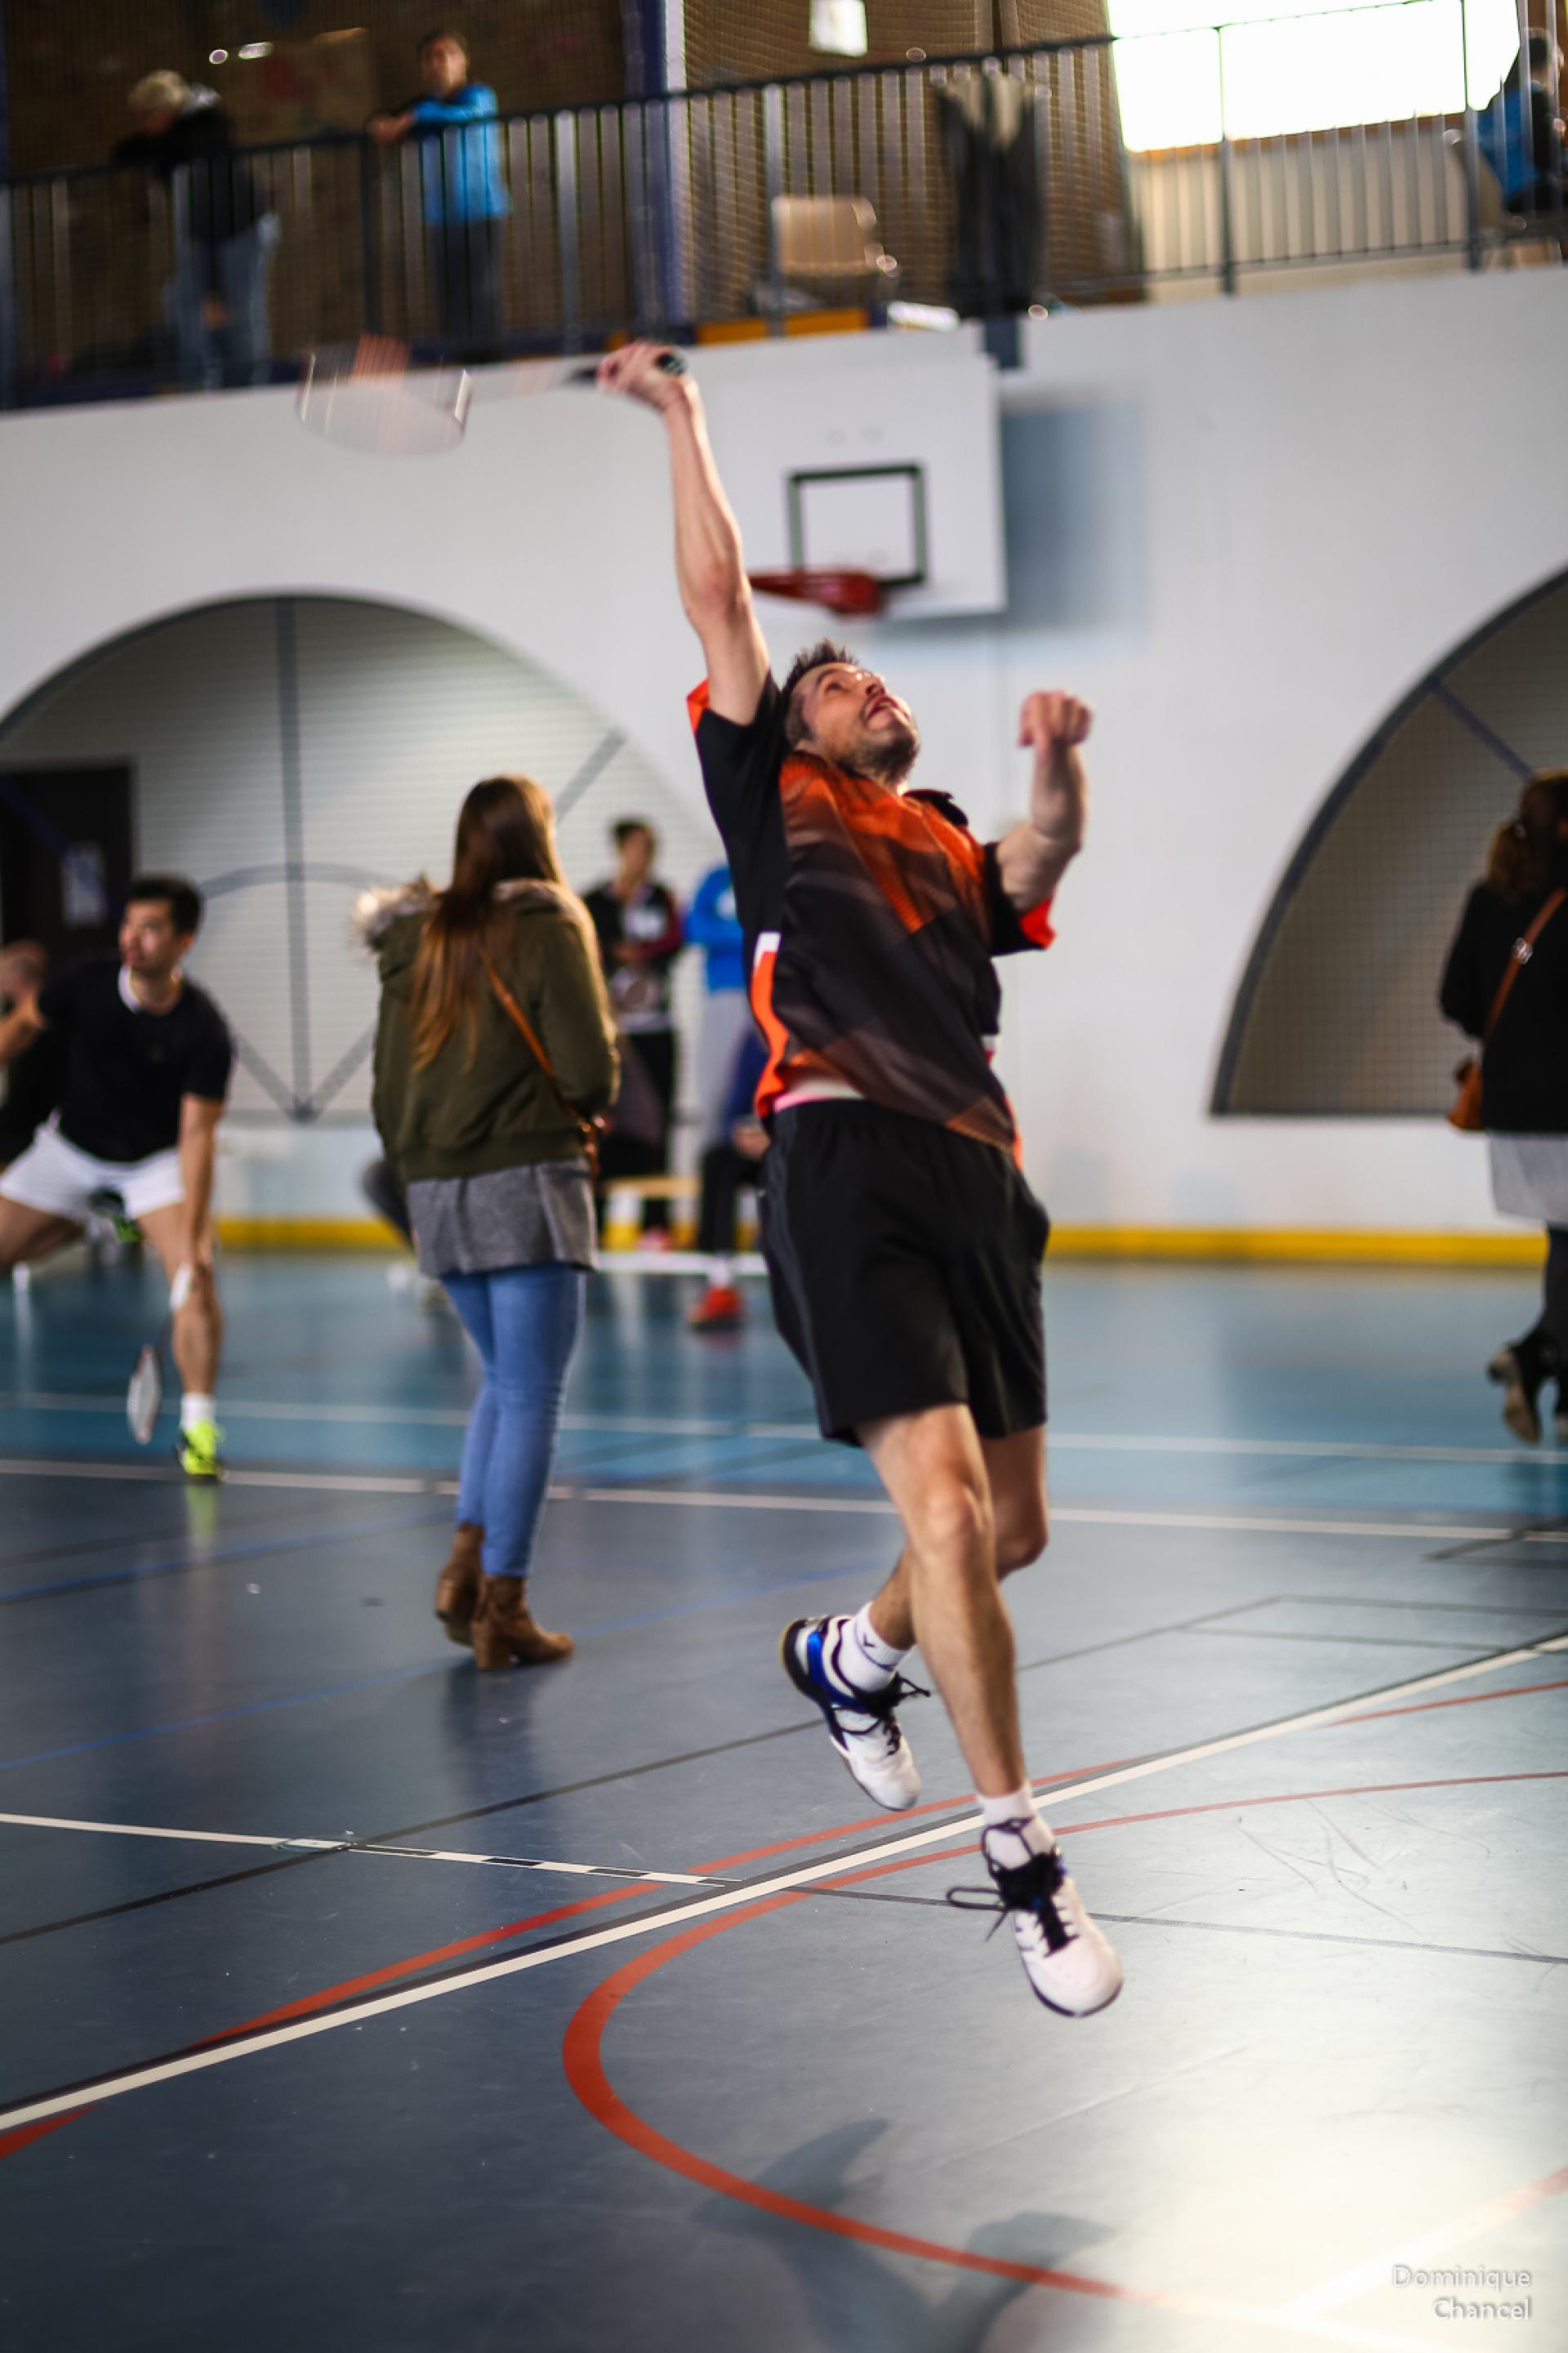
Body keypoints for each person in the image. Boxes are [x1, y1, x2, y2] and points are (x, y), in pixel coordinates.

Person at [598, 340, 1120, 2019]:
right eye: (835, 680)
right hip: (839, 1157)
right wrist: (685, 414)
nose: (863, 685)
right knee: (950, 1514)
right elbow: (719, 596)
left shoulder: (946, 836)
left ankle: (853, 1654)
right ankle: (1025, 1863)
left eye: (872, 680)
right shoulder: (775, 790)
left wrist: (1057, 767)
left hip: (980, 1174)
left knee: (1011, 1531)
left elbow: (1043, 852)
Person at [362, 775, 618, 1669]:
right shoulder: (546, 924)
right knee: (532, 1394)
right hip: (526, 1180)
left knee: (504, 1381)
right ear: (537, 836)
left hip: (435, 1185)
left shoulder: (416, 936)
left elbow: (387, 1086)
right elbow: (589, 1074)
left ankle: (463, 1573)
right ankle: (502, 1606)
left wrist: (419, 1175)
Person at [0, 878, 232, 1479]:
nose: (133, 938)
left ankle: (199, 1429)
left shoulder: (204, 1029)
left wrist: (195, 1234)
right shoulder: (86, 982)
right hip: (71, 1149)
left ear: (183, 941)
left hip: (152, 1164)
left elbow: (197, 1138)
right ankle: (89, 1222)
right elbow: (23, 1024)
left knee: (197, 1282)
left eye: (151, 928)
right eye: (129, 924)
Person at [1441, 769, 1568, 1448]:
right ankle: (1534, 1355)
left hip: (1513, 1107)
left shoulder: (1489, 898)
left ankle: (1555, 1377)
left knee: (1565, 1240)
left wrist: (1513, 1039)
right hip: (1563, 1104)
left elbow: (1456, 998)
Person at [114, 71, 278, 390]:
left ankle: (251, 383)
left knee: (244, 307)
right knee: (182, 301)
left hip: (241, 228)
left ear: (165, 109)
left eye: (148, 116)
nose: (145, 125)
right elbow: (125, 152)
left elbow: (191, 147)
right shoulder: (167, 138)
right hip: (199, 233)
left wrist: (158, 143)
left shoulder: (209, 120)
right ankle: (198, 379)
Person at [369, 31, 511, 352]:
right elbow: (384, 123)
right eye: (431, 56)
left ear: (464, 60)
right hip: (442, 218)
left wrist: (414, 117)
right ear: (423, 67)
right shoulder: (422, 106)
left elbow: (467, 116)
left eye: (448, 53)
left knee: (483, 292)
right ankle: (459, 359)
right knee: (451, 295)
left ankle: (490, 360)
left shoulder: (478, 95)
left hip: (482, 212)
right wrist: (384, 125)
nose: (440, 62)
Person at [585, 821, 684, 1237]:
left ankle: (655, 1225)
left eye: (649, 848)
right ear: (620, 849)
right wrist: (614, 951)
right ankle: (595, 1221)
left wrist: (643, 952)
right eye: (636, 847)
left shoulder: (662, 898)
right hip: (612, 1031)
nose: (643, 856)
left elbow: (676, 941)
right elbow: (585, 947)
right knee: (603, 1121)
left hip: (655, 1028)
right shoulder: (594, 900)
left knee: (657, 1123)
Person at [688, 1025, 768, 1331]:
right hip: (758, 1145)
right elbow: (736, 1103)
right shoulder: (752, 1040)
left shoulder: (809, 1034)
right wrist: (740, 1134)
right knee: (716, 1161)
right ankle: (720, 1280)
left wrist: (779, 1136)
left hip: (799, 1143)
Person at [684, 859, 751, 1150]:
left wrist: (730, 932)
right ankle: (712, 1159)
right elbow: (695, 928)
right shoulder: (717, 879)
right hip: (724, 995)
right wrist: (748, 933)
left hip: (768, 992)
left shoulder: (774, 871)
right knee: (716, 1086)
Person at [1478, 33, 1565, 216]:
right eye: (1557, 68)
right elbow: (1549, 160)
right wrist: (1555, 136)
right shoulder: (1535, 97)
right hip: (1532, 193)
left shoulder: (1496, 102)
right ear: (1547, 65)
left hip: (1505, 197)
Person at [0, 942, 66, 1174]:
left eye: (4, 980)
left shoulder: (37, 1027)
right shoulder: (54, 1019)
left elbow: (27, 1101)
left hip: (35, 1136)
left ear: (17, 980)